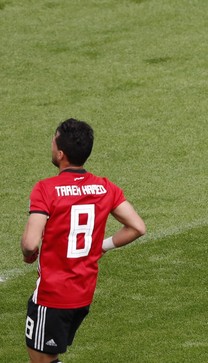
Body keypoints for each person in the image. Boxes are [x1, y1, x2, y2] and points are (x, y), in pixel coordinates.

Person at [21, 118, 146, 362]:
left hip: (53, 295)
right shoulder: (105, 187)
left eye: (53, 140)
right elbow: (137, 227)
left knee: (41, 359)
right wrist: (102, 247)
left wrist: (28, 255)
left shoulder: (46, 189)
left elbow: (30, 243)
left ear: (60, 153)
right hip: (83, 294)